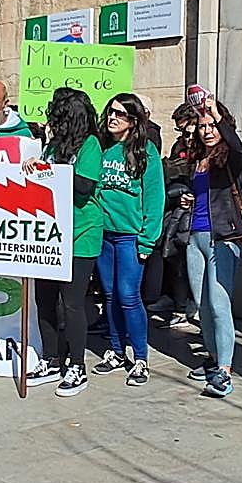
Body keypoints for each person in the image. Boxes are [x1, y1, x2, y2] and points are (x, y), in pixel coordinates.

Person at [25, 88, 104, 397]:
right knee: (44, 299)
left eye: (57, 115)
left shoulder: (90, 145)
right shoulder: (52, 146)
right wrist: (34, 167)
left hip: (81, 234)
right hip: (49, 233)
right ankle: (50, 358)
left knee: (71, 303)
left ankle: (76, 365)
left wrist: (53, 171)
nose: (52, 121)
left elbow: (84, 186)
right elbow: (43, 180)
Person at [93, 93, 165, 386]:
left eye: (120, 114)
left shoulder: (146, 152)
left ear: (134, 121)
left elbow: (155, 199)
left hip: (130, 238)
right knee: (109, 295)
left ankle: (140, 358)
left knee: (128, 295)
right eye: (111, 112)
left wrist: (147, 241)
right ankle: (114, 349)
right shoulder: (101, 149)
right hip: (103, 236)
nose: (113, 118)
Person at [178, 96, 242, 398]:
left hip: (222, 238)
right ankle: (213, 357)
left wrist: (217, 114)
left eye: (213, 125)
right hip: (195, 237)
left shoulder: (230, 157)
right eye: (203, 126)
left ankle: (225, 371)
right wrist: (186, 199)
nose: (207, 131)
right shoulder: (197, 159)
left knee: (220, 305)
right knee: (202, 305)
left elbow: (240, 149)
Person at [147, 104, 199, 323]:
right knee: (170, 253)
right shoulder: (180, 146)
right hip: (177, 208)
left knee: (187, 259)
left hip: (197, 212)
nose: (186, 137)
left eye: (188, 131)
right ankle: (172, 297)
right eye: (181, 132)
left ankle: (185, 304)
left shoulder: (205, 148)